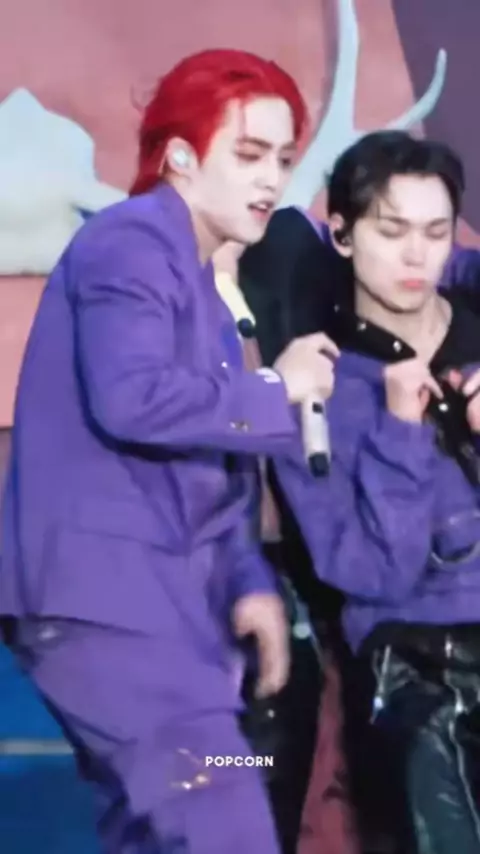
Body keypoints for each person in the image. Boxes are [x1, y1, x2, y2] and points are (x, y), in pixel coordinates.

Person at [0, 49, 338, 854]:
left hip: (174, 620)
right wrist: (277, 388)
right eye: (248, 154)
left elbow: (208, 469)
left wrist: (248, 583)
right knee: (224, 810)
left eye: (283, 159)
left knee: (178, 811)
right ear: (182, 157)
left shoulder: (202, 293)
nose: (271, 180)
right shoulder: (131, 242)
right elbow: (134, 398)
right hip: (110, 607)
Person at [274, 130, 480, 853]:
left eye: (435, 232)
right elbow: (372, 574)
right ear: (342, 233)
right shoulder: (315, 387)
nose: (415, 255)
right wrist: (400, 430)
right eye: (391, 232)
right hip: (414, 670)